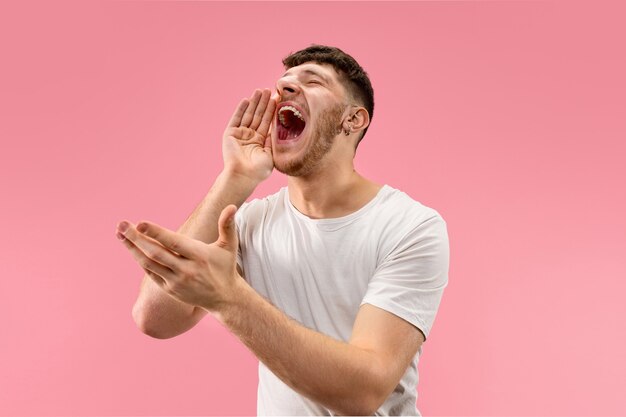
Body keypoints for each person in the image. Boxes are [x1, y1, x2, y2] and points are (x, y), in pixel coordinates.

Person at [116, 44, 449, 416]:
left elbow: (363, 391)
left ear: (353, 120)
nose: (285, 90)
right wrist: (236, 178)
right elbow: (155, 318)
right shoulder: (247, 224)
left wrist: (228, 298)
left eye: (312, 81)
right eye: (284, 84)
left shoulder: (410, 227)